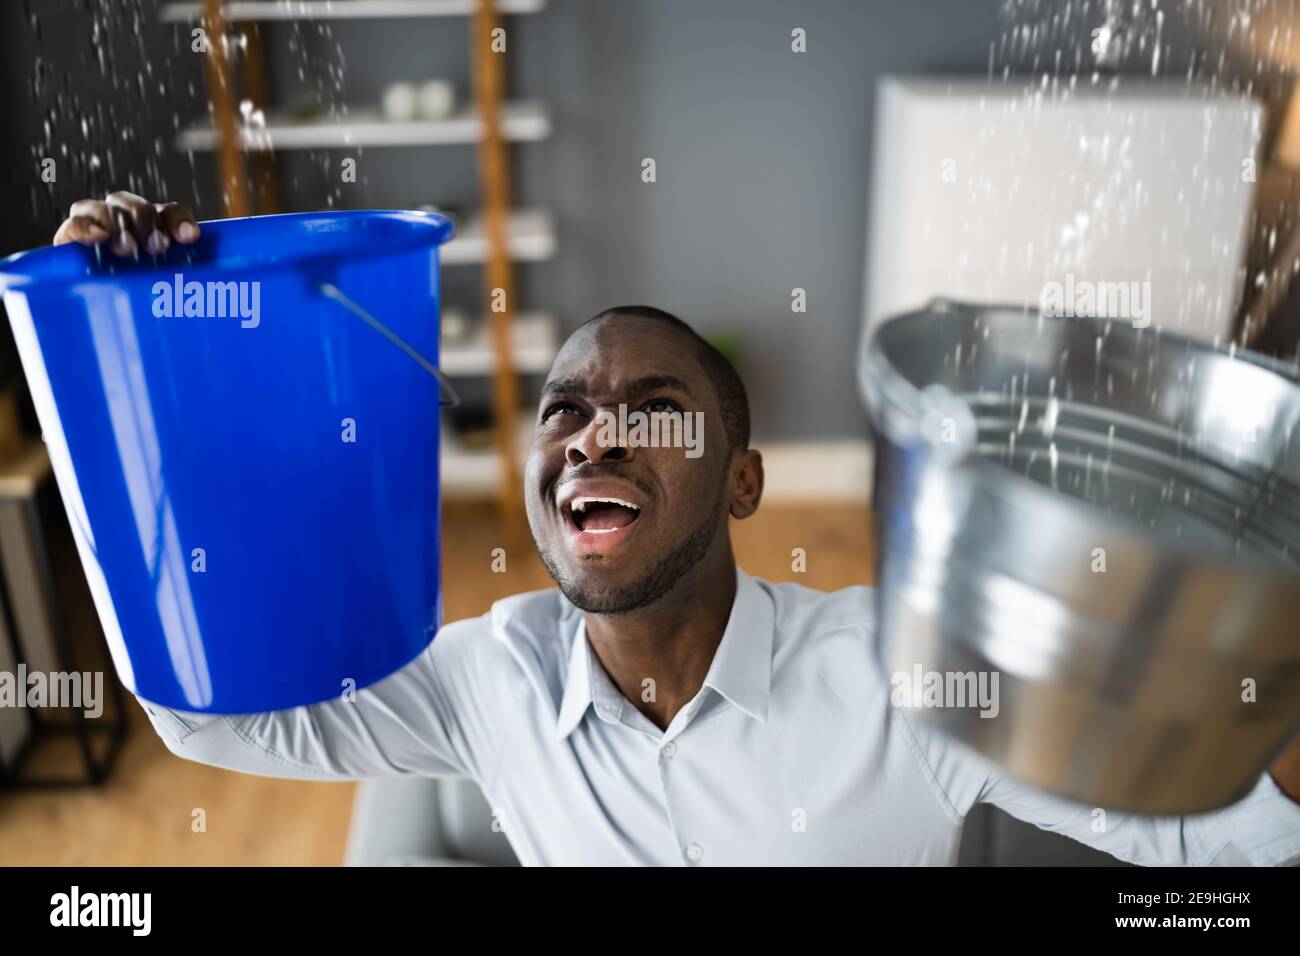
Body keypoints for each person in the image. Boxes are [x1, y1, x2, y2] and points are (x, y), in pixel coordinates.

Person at [51, 192, 1300, 866]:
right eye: (566, 415)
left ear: (744, 480)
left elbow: (1211, 836)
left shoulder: (901, 673)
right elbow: (203, 711)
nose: (594, 438)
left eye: (654, 410)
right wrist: (140, 361)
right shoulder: (490, 676)